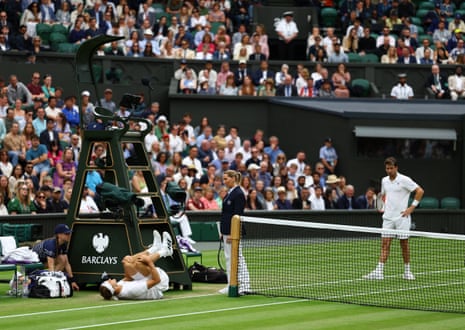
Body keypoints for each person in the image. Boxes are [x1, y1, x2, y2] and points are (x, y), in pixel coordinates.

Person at [364, 157, 424, 281]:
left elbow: (420, 191)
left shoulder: (405, 180)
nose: (389, 170)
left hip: (402, 218)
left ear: (396, 168)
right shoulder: (384, 181)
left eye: (391, 168)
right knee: (385, 244)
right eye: (387, 168)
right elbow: (384, 195)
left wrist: (411, 208)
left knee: (404, 244)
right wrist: (382, 206)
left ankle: (407, 271)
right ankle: (379, 271)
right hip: (388, 218)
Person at [100, 231, 173, 300]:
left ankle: (154, 248)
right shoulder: (131, 290)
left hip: (148, 280)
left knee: (126, 262)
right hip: (159, 283)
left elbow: (128, 278)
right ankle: (165, 251)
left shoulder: (118, 287)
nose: (109, 279)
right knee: (139, 263)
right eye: (109, 282)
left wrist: (126, 262)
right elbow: (156, 280)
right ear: (113, 287)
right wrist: (149, 262)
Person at [219, 170, 249, 295]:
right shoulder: (229, 194)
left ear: (233, 178)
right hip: (226, 231)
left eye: (226, 179)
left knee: (238, 258)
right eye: (223, 179)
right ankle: (231, 284)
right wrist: (223, 231)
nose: (224, 181)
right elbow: (225, 214)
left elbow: (238, 215)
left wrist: (233, 233)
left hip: (234, 232)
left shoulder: (238, 194)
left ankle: (245, 285)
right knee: (228, 258)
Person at [32, 224, 79, 291]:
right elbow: (51, 266)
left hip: (42, 262)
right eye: (66, 234)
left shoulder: (63, 245)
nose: (69, 235)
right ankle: (47, 282)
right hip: (33, 265)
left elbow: (67, 264)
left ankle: (48, 280)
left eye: (69, 233)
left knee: (63, 260)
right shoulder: (51, 245)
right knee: (60, 261)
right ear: (59, 235)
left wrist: (72, 281)